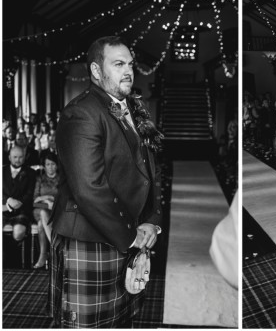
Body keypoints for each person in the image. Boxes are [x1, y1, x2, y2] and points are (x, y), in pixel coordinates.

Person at [51, 36, 164, 328]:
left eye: (129, 64)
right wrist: (132, 236)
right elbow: (89, 188)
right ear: (96, 71)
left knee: (122, 321)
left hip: (129, 234)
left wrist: (152, 219)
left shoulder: (133, 108)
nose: (128, 71)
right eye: (118, 64)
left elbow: (151, 171)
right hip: (90, 240)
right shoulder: (81, 113)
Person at [32, 152, 60, 268]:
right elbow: (34, 201)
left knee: (40, 225)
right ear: (44, 166)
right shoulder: (40, 179)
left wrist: (52, 204)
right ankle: (56, 249)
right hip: (40, 210)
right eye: (47, 164)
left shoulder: (61, 178)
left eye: (53, 164)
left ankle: (43, 256)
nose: (50, 167)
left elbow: (64, 200)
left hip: (56, 211)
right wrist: (47, 199)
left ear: (57, 165)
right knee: (43, 213)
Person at [3, 146, 36, 241]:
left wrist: (19, 202)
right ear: (9, 157)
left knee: (18, 233)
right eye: (15, 157)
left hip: (21, 210)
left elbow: (30, 193)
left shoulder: (31, 173)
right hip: (3, 209)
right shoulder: (2, 171)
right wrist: (8, 200)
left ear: (25, 157)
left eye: (21, 157)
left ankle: (15, 253)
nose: (18, 160)